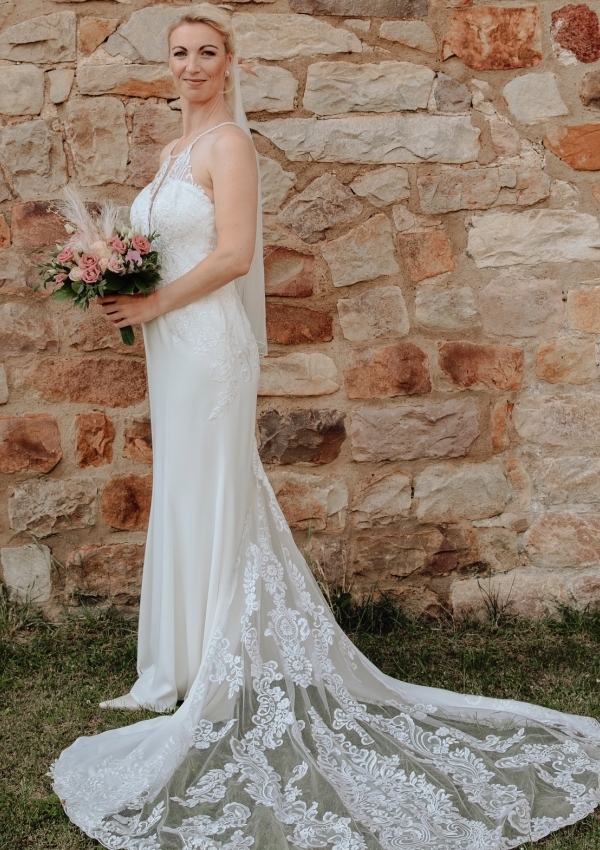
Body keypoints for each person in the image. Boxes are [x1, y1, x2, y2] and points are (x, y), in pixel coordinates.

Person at [51, 6, 600, 848]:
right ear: (168, 67)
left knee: (216, 488)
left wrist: (153, 300)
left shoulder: (229, 146)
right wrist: (117, 283)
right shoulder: (171, 154)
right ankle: (183, 663)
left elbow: (234, 256)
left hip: (208, 350)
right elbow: (160, 247)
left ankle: (215, 670)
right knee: (187, 489)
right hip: (170, 348)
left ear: (230, 64)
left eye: (207, 53)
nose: (192, 66)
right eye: (180, 54)